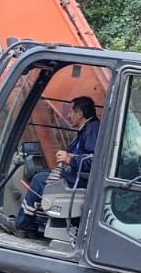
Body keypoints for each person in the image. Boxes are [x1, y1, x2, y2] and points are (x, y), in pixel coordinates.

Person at [12, 96, 99, 236]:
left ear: (80, 113)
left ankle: (23, 224)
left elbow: (95, 160)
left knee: (39, 179)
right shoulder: (87, 129)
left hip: (82, 181)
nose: (68, 116)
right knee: (42, 174)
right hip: (77, 176)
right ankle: (30, 218)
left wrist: (69, 159)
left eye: (71, 112)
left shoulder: (92, 130)